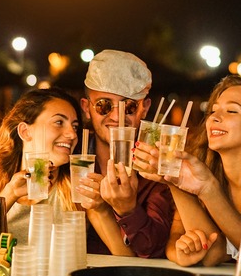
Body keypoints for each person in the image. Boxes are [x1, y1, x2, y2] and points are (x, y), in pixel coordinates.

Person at [134, 75, 241, 267]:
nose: (214, 117)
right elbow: (178, 239)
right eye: (213, 111)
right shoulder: (202, 171)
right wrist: (180, 252)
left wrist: (189, 185)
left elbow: (233, 253)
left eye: (231, 110)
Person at [74, 50, 174, 258]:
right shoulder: (72, 157)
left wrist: (129, 211)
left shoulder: (157, 167)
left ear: (144, 109)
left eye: (129, 106)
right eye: (104, 105)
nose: (117, 116)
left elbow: (155, 251)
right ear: (86, 107)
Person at [0, 87, 82, 245]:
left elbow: (121, 258)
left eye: (75, 126)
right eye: (59, 122)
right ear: (25, 132)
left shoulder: (77, 191)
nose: (72, 134)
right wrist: (10, 194)